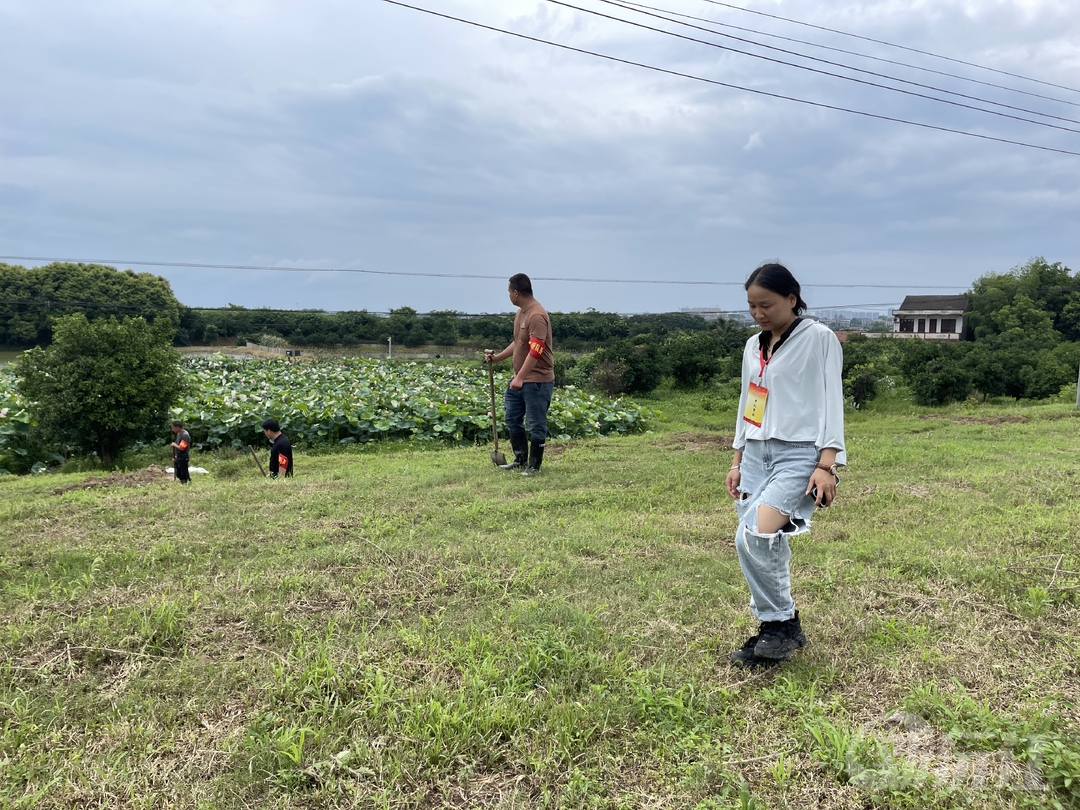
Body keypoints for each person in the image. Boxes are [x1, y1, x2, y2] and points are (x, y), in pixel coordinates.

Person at [726, 262, 845, 667]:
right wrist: (737, 458)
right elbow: (749, 403)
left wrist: (826, 464)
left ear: (791, 299)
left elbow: (832, 400)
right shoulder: (752, 346)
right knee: (757, 540)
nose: (758, 313)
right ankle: (776, 627)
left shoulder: (819, 339)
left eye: (766, 304)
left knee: (754, 535)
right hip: (757, 454)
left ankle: (781, 624)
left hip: (799, 453)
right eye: (751, 306)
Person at [485, 273, 555, 475]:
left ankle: (534, 465)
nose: (508, 295)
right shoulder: (521, 313)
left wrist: (521, 377)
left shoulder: (536, 315)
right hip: (519, 379)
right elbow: (519, 342)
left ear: (515, 292)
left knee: (535, 423)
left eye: (509, 291)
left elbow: (536, 350)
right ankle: (520, 458)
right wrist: (498, 358)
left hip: (537, 381)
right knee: (512, 418)